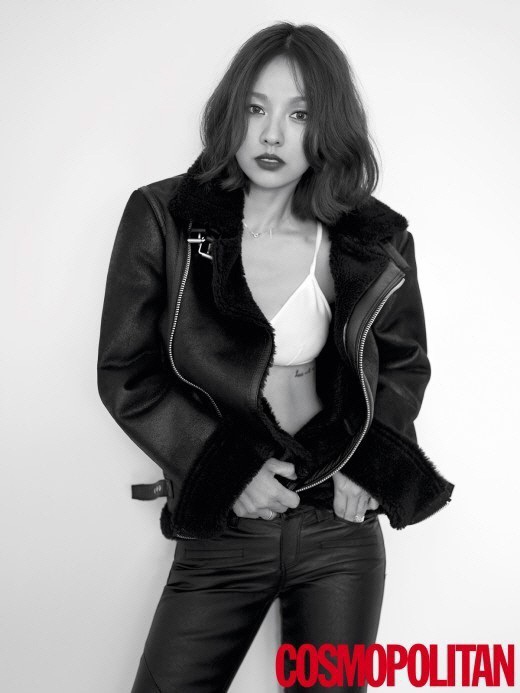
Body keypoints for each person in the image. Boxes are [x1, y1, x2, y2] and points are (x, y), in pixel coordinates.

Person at [97, 22, 454, 693]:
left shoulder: (373, 235)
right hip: (226, 522)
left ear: (328, 127)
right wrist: (227, 469)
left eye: (299, 115)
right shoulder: (165, 216)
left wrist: (371, 463)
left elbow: (404, 363)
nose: (271, 135)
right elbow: (127, 371)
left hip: (339, 532)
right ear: (230, 112)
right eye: (256, 109)